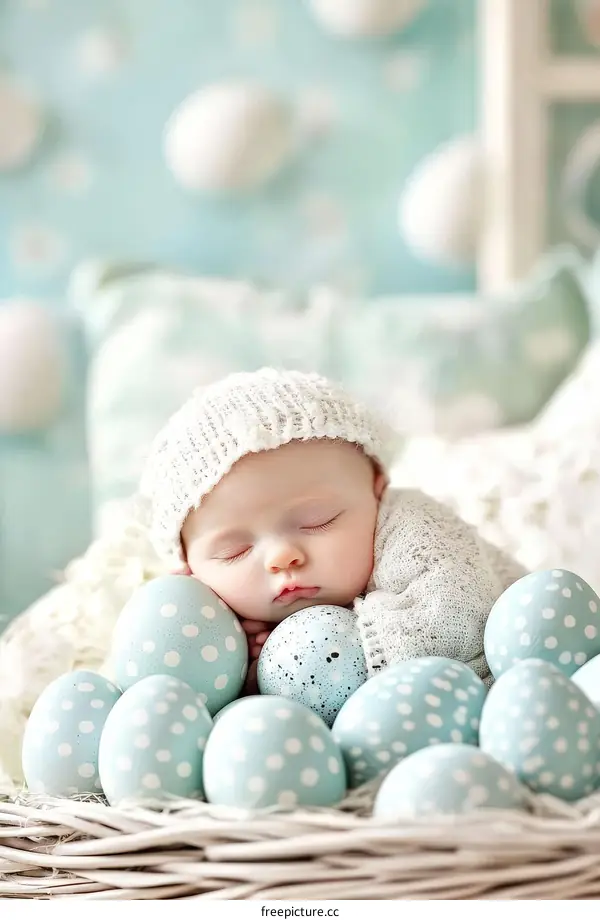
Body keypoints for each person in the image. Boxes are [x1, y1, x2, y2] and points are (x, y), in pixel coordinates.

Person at [140, 368, 525, 688]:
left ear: (377, 487)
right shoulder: (224, 620)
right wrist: (247, 665)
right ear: (190, 566)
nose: (281, 557)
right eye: (234, 551)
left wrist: (332, 645)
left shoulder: (414, 527)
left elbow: (457, 621)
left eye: (317, 521)